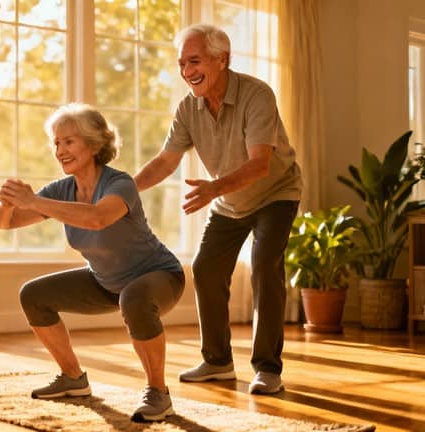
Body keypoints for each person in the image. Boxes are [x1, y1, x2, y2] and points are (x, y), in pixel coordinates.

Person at [133, 24, 302, 395]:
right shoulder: (188, 109)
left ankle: (268, 369)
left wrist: (213, 188)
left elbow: (260, 164)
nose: (186, 71)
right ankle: (217, 361)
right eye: (182, 63)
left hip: (276, 192)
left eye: (194, 61)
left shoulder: (257, 95)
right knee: (207, 268)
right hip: (229, 199)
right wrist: (126, 189)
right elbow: (165, 161)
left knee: (264, 266)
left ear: (222, 59)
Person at [0, 103, 185, 422]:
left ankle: (158, 393)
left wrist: (33, 201)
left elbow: (98, 219)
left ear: (94, 144)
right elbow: (5, 223)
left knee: (134, 298)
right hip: (106, 282)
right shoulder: (62, 189)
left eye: (69, 141)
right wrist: (7, 203)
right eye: (56, 143)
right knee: (34, 295)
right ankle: (73, 379)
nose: (60, 150)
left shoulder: (119, 183)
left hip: (158, 276)